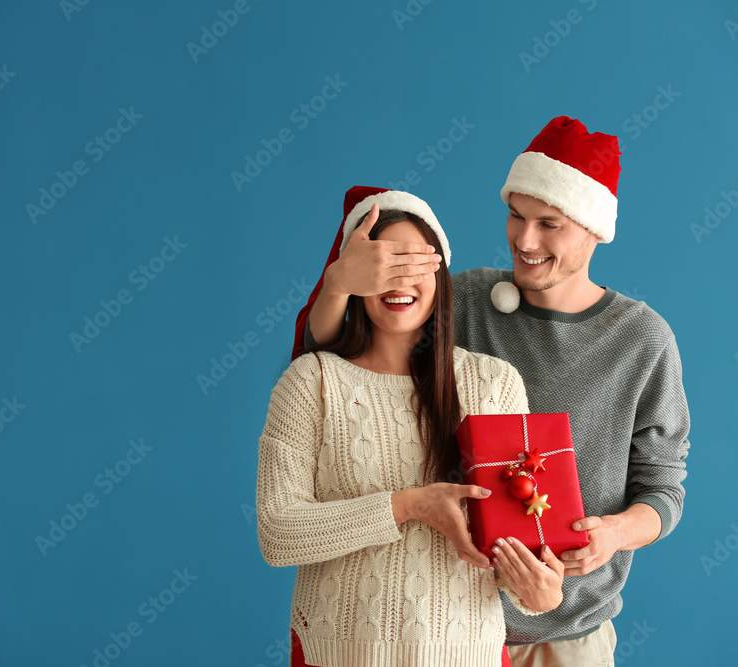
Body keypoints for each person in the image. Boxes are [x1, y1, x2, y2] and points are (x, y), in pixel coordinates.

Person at [293, 117, 691, 666]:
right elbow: (337, 350)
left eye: (549, 224)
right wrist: (341, 280)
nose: (525, 241)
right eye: (516, 216)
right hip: (447, 622)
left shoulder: (642, 341)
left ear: (594, 229)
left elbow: (663, 489)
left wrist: (615, 534)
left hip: (567, 629)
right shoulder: (471, 300)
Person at [256, 186, 566, 667]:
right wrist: (408, 506)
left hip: (469, 655)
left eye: (416, 264)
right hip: (340, 655)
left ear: (441, 275)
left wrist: (540, 593)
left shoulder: (494, 383)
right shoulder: (311, 383)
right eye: (384, 264)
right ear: (358, 276)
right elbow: (278, 533)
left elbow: (515, 541)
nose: (400, 280)